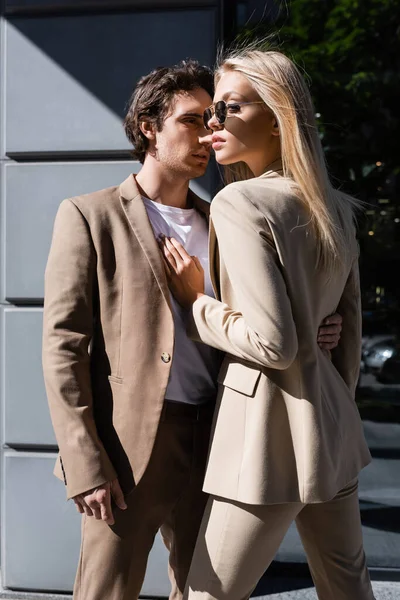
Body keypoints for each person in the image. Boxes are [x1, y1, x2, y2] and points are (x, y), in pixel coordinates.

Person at [42, 59, 343, 600]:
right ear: (147, 128)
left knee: (201, 589)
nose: (208, 132)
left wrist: (320, 326)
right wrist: (85, 462)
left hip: (219, 436)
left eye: (214, 118)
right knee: (106, 590)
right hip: (129, 449)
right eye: (192, 119)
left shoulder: (223, 218)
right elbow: (64, 348)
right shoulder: (91, 216)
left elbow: (262, 322)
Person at [160, 49, 374, 600]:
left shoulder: (240, 203)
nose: (213, 124)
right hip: (329, 429)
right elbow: (347, 333)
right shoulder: (335, 206)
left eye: (228, 108)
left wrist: (195, 301)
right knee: (347, 586)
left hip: (264, 440)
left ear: (278, 116)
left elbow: (272, 343)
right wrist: (332, 402)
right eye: (210, 112)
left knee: (208, 594)